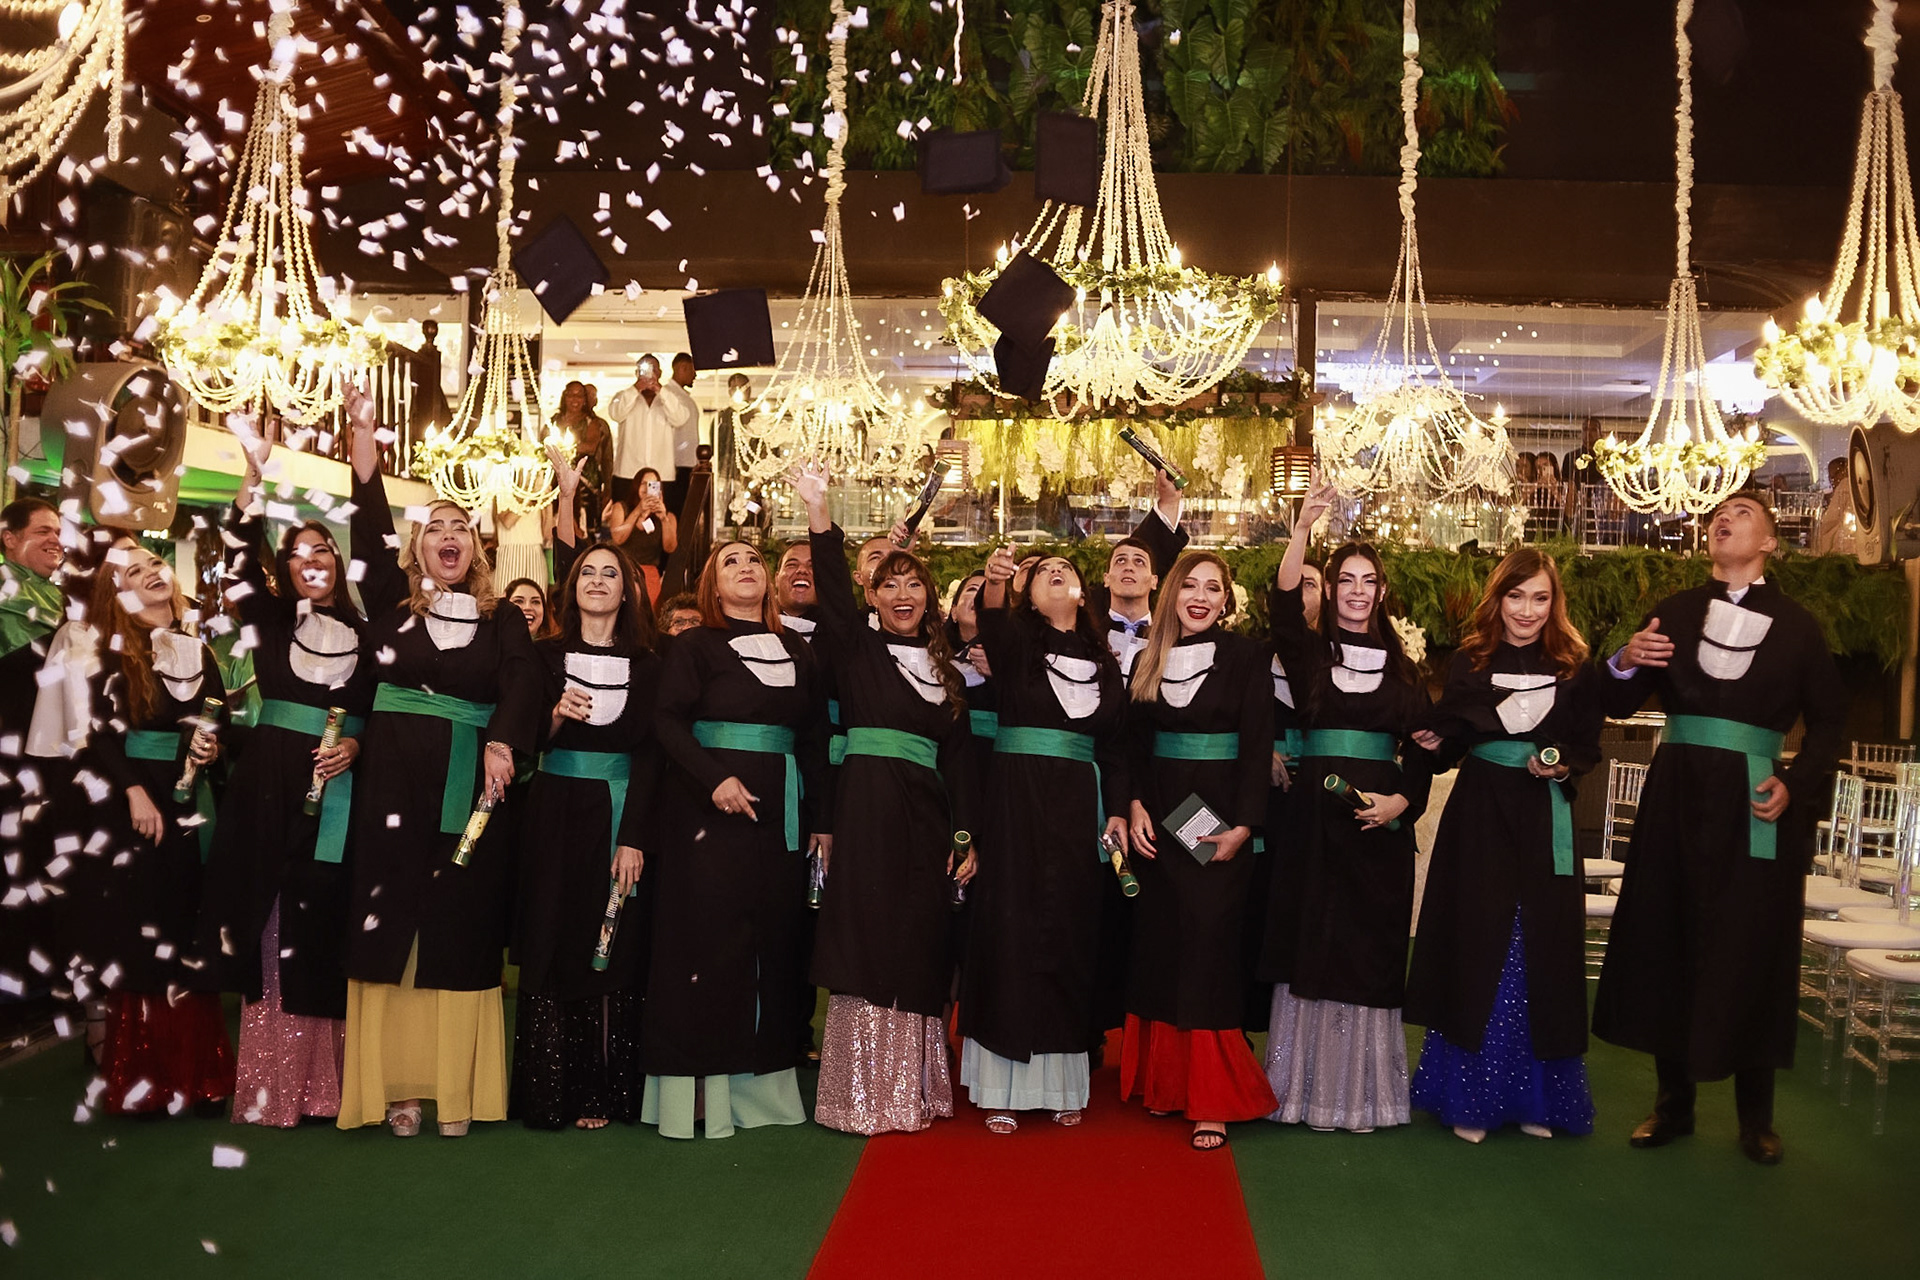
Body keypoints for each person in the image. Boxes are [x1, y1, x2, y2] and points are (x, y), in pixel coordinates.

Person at [1593, 491, 1845, 1166]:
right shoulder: (1674, 611)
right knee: (1668, 936)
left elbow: (1829, 723)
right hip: (1675, 797)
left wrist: (1795, 784)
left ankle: (1756, 1118)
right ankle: (1672, 1106)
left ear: (1770, 543)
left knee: (1751, 946)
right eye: (1717, 515)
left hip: (1755, 804)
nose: (1722, 519)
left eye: (1741, 513)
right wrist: (1624, 660)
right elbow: (1618, 699)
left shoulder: (1799, 627)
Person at [336, 390, 543, 1139]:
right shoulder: (392, 607)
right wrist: (364, 440)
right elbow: (366, 529)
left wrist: (502, 742)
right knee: (391, 922)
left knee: (460, 924)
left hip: (470, 787)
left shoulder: (503, 617)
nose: (447, 537)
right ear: (417, 549)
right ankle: (396, 1089)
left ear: (476, 549)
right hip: (391, 783)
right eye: (434, 529)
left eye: (460, 528)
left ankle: (456, 1090)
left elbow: (524, 681)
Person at [195, 416, 370, 1127]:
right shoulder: (268, 620)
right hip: (267, 783)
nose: (310, 560)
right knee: (266, 918)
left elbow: (380, 713)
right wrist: (253, 475)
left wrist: (355, 746)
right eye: (297, 552)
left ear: (338, 561)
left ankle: (330, 1088)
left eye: (321, 548)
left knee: (323, 918)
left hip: (339, 790)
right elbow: (236, 555)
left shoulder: (368, 635)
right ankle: (272, 1086)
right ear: (288, 568)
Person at [794, 460, 977, 1134]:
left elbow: (961, 766)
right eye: (888, 584)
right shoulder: (855, 651)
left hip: (928, 821)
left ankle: (913, 1090)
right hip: (865, 810)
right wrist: (818, 511)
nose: (902, 593)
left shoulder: (947, 671)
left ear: (929, 599)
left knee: (920, 939)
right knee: (866, 938)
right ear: (871, 597)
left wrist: (967, 837)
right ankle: (859, 1095)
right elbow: (831, 588)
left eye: (914, 584)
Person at [1404, 548, 1601, 1143]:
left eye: (1540, 598)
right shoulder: (1470, 660)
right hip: (1481, 814)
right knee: (1476, 941)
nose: (1527, 610)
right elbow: (1451, 742)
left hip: (1545, 816)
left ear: (1554, 602)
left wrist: (1562, 766)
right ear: (1499, 598)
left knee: (1541, 946)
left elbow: (1586, 747)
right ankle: (1469, 1099)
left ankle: (1537, 1099)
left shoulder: (1574, 665)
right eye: (1516, 596)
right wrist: (1431, 743)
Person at [1262, 471, 1434, 1133]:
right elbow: (1283, 605)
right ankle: (1299, 1091)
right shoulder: (1308, 654)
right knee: (1309, 939)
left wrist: (1402, 802)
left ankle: (1360, 1097)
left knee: (1367, 949)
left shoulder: (1405, 670)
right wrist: (1302, 529)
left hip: (1376, 829)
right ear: (1332, 590)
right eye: (1346, 581)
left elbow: (1425, 749)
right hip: (1312, 821)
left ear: (1381, 592)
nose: (1358, 591)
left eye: (1369, 581)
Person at [642, 540, 830, 1139]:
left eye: (754, 560)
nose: (746, 567)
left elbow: (813, 739)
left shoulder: (799, 649)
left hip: (781, 820)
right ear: (711, 586)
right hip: (706, 815)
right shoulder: (693, 645)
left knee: (772, 945)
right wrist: (714, 779)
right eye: (731, 561)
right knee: (706, 948)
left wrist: (822, 821)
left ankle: (760, 1094)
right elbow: (665, 722)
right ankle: (699, 1091)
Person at [956, 546, 1128, 1133]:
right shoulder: (1014, 646)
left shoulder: (1104, 661)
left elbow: (1116, 747)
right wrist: (995, 582)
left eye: (1068, 569)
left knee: (1070, 931)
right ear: (1028, 595)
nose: (1057, 572)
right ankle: (1000, 1086)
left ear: (1084, 591)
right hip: (1015, 802)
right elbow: (992, 618)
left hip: (1082, 809)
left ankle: (1062, 1084)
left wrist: (1117, 812)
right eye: (1045, 570)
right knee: (1010, 930)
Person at [508, 475, 660, 1130]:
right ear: (571, 588)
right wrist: (552, 718)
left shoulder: (651, 663)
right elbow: (520, 739)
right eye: (587, 573)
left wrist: (634, 836)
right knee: (553, 935)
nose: (597, 581)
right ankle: (552, 1091)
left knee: (615, 942)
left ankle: (607, 1090)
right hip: (552, 810)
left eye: (610, 573)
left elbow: (652, 757)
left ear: (628, 590)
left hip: (619, 812)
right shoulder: (543, 657)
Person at [71, 534, 236, 1116]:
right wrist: (135, 793)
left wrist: (212, 747)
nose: (151, 572)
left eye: (155, 562)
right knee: (145, 936)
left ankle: (199, 1078)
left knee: (189, 931)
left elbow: (217, 722)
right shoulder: (109, 651)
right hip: (137, 804)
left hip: (193, 801)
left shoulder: (199, 647)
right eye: (134, 570)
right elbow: (96, 731)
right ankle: (145, 1085)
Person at [1118, 550, 1275, 1150]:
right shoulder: (1147, 658)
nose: (1201, 597)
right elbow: (1133, 747)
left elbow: (1258, 744)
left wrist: (1244, 826)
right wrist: (1134, 804)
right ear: (1172, 595)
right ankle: (1167, 1084)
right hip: (1161, 820)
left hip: (1219, 825)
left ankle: (1212, 1098)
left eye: (1213, 588)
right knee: (1164, 947)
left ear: (1226, 601)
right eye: (1191, 586)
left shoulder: (1248, 656)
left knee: (1209, 949)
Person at [1252, 558, 1322, 1028]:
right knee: (1257, 909)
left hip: (1315, 801)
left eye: (1310, 584)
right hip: (1260, 807)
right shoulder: (1248, 659)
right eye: (1293, 585)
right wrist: (1260, 753)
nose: (1300, 592)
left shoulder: (1338, 659)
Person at [0, 497, 64, 992]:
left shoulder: (58, 595)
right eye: (43, 530)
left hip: (50, 758)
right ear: (9, 538)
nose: (55, 540)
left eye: (58, 532)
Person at [605, 355, 695, 512]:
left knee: (657, 518)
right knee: (625, 515)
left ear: (659, 373)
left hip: (660, 475)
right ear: (637, 373)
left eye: (653, 369)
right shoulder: (623, 396)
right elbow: (616, 414)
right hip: (628, 473)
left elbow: (680, 418)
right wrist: (636, 388)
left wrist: (661, 391)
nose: (649, 374)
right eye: (644, 370)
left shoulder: (670, 398)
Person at [605, 467, 678, 603]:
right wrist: (639, 509)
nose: (647, 488)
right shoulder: (621, 508)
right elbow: (618, 538)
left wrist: (663, 518)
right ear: (636, 485)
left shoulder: (668, 516)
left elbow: (670, 548)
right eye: (643, 483)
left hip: (649, 575)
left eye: (652, 485)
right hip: (624, 571)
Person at [553, 380, 614, 537]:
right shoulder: (554, 421)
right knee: (558, 520)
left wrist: (563, 447)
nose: (575, 399)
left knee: (584, 525)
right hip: (556, 478)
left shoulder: (592, 422)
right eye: (571, 395)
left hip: (585, 480)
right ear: (565, 397)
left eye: (579, 395)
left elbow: (591, 447)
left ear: (584, 400)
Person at [1813, 457, 1856, 556]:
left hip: (1842, 550)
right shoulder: (1833, 495)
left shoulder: (1845, 486)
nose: (1833, 480)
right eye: (1830, 477)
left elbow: (1828, 524)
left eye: (1836, 474)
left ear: (1847, 470)